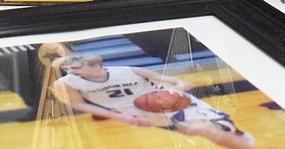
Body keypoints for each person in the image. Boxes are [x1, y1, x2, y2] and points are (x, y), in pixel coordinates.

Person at [51, 54, 255, 148]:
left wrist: (180, 84)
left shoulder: (128, 71)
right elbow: (78, 104)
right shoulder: (66, 83)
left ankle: (236, 136)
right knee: (204, 131)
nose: (71, 72)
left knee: (220, 130)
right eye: (68, 70)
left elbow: (170, 80)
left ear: (95, 65)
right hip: (146, 113)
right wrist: (124, 118)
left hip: (172, 100)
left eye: (76, 68)